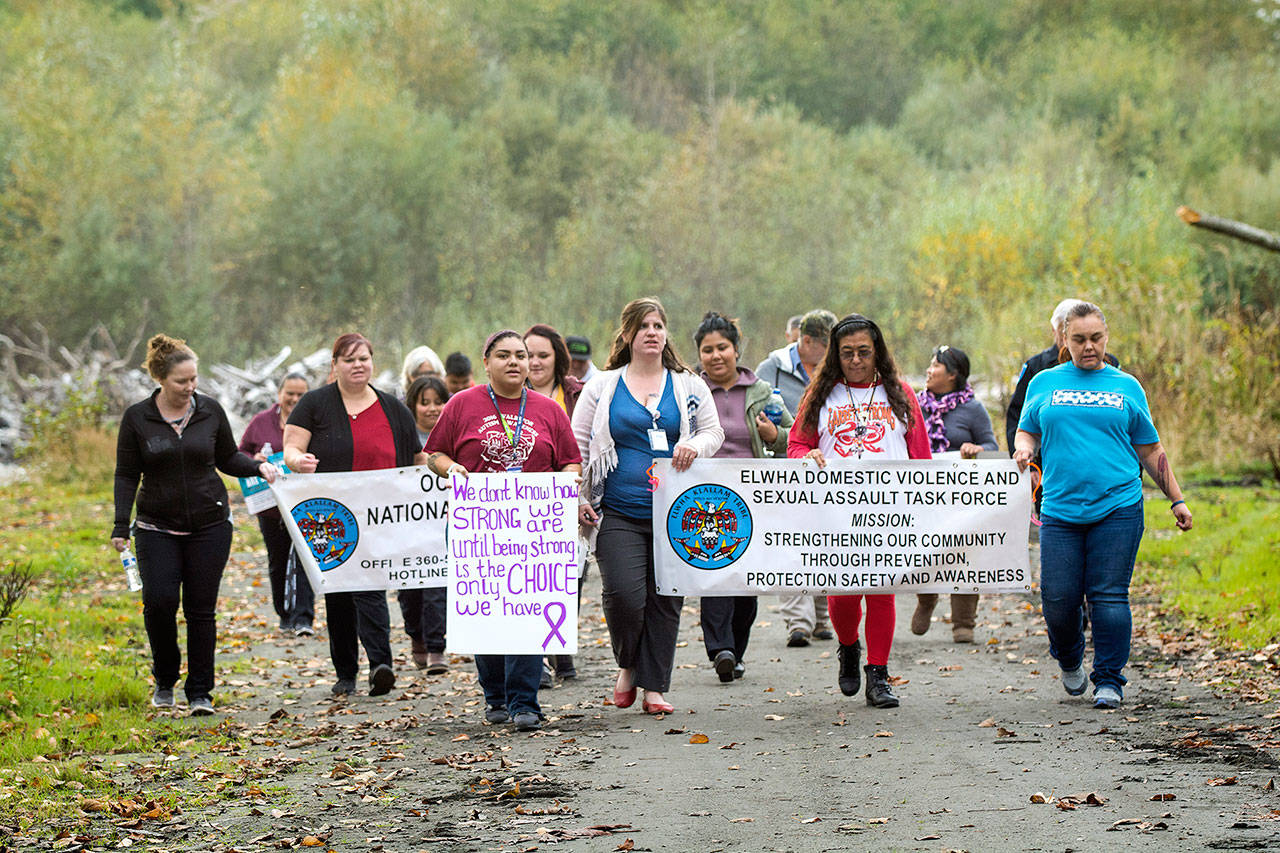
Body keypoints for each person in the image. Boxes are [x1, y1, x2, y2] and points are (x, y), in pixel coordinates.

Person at [1014, 302, 1192, 709]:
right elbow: (1027, 432)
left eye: (1095, 338)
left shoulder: (1126, 386)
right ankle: (1070, 657)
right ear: (1064, 338)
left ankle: (1110, 679)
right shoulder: (1044, 383)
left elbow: (1150, 448)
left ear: (1106, 337)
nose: (1088, 346)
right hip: (1060, 507)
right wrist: (1023, 452)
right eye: (1078, 339)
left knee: (1109, 595)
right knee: (1058, 598)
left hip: (1119, 505)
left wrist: (1176, 499)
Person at [112, 334, 278, 716]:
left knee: (201, 609)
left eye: (194, 380)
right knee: (159, 603)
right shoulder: (138, 418)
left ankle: (200, 691)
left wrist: (257, 467)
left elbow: (227, 458)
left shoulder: (210, 411)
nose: (190, 388)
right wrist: (122, 525)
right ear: (160, 379)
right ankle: (165, 677)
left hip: (210, 525)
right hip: (155, 526)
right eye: (181, 381)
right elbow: (125, 474)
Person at [425, 330, 583, 732]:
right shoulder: (462, 404)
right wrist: (451, 468)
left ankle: (525, 701)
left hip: (533, 530)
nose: (515, 362)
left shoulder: (549, 409)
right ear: (487, 362)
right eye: (504, 355)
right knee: (487, 613)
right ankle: (494, 695)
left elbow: (570, 461)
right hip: (478, 528)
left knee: (527, 615)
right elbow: (434, 453)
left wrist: (569, 481)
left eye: (521, 355)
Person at [574, 297, 724, 716]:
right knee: (625, 595)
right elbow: (578, 444)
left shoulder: (688, 384)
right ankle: (628, 663)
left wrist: (692, 445)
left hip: (675, 512)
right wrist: (580, 496)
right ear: (627, 335)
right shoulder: (602, 385)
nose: (653, 333)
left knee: (665, 598)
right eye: (644, 326)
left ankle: (654, 686)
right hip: (618, 510)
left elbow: (712, 432)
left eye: (659, 325)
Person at [788, 314, 931, 708]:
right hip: (834, 513)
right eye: (847, 353)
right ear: (836, 355)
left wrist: (927, 505)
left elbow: (921, 456)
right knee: (844, 596)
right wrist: (809, 454)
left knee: (882, 591)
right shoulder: (820, 395)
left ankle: (878, 674)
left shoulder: (899, 393)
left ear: (877, 353)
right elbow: (796, 445)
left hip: (889, 511)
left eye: (863, 352)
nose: (855, 360)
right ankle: (848, 647)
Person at [283, 333, 427, 698]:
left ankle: (382, 664)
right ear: (335, 365)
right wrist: (299, 461)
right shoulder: (315, 405)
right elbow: (291, 447)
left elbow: (416, 459)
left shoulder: (394, 409)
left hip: (381, 517)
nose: (358, 365)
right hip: (332, 518)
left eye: (364, 358)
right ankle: (345, 672)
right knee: (340, 595)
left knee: (371, 588)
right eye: (349, 360)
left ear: (372, 362)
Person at [694, 312, 792, 683]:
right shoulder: (689, 391)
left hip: (752, 496)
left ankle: (736, 650)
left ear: (736, 349)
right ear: (699, 355)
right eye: (707, 350)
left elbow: (793, 434)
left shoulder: (762, 392)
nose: (716, 355)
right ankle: (720, 649)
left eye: (723, 347)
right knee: (713, 570)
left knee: (746, 580)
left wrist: (772, 437)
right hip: (703, 497)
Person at [755, 308, 838, 647]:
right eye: (826, 346)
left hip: (827, 469)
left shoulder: (836, 371)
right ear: (806, 342)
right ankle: (797, 623)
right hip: (785, 470)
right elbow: (760, 419)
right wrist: (780, 436)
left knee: (825, 542)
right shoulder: (771, 369)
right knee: (792, 545)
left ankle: (822, 617)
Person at [910, 345, 998, 644]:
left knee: (963, 554)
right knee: (924, 549)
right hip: (921, 495)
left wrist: (977, 450)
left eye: (935, 365)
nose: (929, 370)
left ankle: (964, 622)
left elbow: (992, 446)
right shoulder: (913, 406)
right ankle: (926, 599)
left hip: (961, 497)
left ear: (952, 374)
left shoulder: (973, 409)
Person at [524, 323, 585, 684]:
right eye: (527, 355)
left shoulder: (577, 393)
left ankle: (560, 650)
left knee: (569, 578)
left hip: (571, 492)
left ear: (557, 358)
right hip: (524, 501)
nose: (534, 362)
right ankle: (538, 660)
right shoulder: (511, 394)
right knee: (534, 579)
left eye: (542, 355)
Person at [239, 372, 315, 637]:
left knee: (306, 558)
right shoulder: (261, 423)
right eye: (290, 394)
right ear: (279, 394)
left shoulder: (313, 422)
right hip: (270, 506)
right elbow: (239, 453)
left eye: (300, 395)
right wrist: (255, 460)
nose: (294, 399)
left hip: (305, 503)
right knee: (278, 559)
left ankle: (304, 617)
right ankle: (284, 613)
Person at [1006, 299, 1119, 454]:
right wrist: (1026, 461)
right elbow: (1018, 416)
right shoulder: (1037, 367)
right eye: (1076, 337)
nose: (1087, 346)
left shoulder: (1109, 363)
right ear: (1057, 332)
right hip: (1046, 460)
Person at [398, 374, 451, 674]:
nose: (432, 409)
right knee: (409, 590)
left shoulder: (452, 434)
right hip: (407, 527)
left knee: (437, 587)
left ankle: (435, 648)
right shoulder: (403, 436)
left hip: (442, 526)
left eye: (438, 402)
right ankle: (415, 636)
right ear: (413, 405)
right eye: (425, 403)